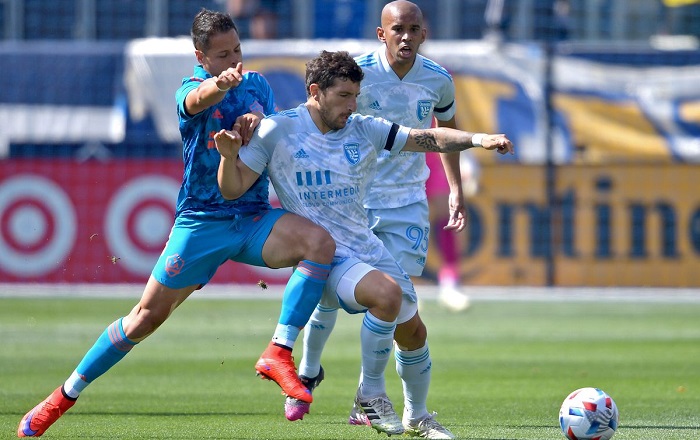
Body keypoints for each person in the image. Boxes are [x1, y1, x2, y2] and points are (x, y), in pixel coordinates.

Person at [16, 9, 335, 438]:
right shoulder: (190, 88)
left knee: (319, 244)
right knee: (144, 319)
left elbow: (270, 137)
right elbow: (195, 101)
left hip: (253, 216)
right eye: (223, 55)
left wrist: (258, 123)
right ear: (201, 57)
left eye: (237, 50)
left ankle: (279, 351)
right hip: (202, 223)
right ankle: (62, 397)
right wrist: (219, 86)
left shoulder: (258, 85)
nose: (234, 60)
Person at [213, 50, 513, 436]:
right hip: (325, 255)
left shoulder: (363, 128)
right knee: (386, 296)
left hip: (365, 245)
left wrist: (479, 139)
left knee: (414, 332)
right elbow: (233, 188)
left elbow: (427, 137)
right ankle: (368, 395)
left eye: (356, 96)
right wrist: (228, 158)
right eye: (343, 96)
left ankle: (417, 415)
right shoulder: (278, 130)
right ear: (315, 92)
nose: (352, 106)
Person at [294, 1, 469, 438]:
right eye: (397, 29)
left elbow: (444, 134)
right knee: (328, 295)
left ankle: (377, 401)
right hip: (351, 200)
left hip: (406, 204)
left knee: (399, 307)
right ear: (381, 33)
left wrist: (455, 189)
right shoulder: (358, 74)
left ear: (424, 34)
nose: (406, 36)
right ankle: (308, 372)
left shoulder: (439, 80)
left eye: (413, 29)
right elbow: (320, 119)